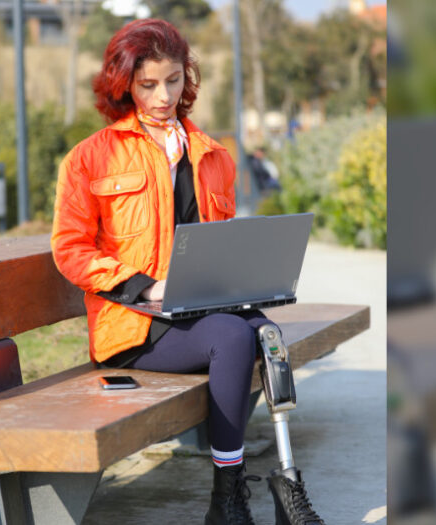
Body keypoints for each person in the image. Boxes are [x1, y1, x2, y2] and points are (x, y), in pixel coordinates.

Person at [51, 19, 323, 525]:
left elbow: (219, 244)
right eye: (148, 84)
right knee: (231, 338)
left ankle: (286, 483)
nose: (162, 96)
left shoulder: (213, 155)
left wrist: (247, 284)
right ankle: (227, 498)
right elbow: (70, 250)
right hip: (133, 324)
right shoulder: (91, 158)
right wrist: (145, 286)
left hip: (198, 310)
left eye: (173, 81)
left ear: (187, 78)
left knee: (267, 334)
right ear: (124, 83)